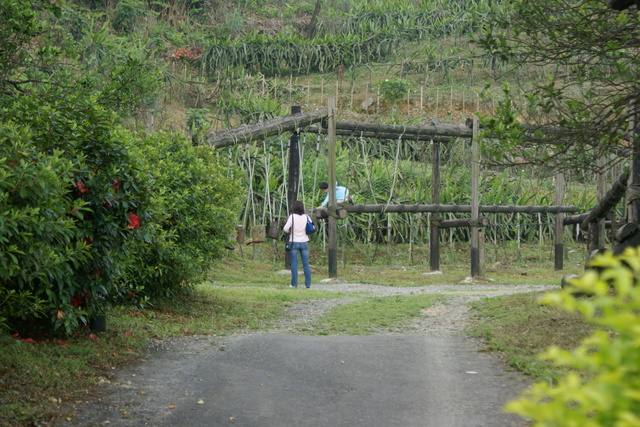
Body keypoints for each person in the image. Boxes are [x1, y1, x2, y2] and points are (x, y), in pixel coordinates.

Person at [283, 200, 312, 289]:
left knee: (294, 263)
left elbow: (285, 228)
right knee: (306, 264)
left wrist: (290, 231)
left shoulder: (292, 217)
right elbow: (312, 227)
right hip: (304, 241)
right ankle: (308, 283)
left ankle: (294, 283)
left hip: (294, 241)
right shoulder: (306, 217)